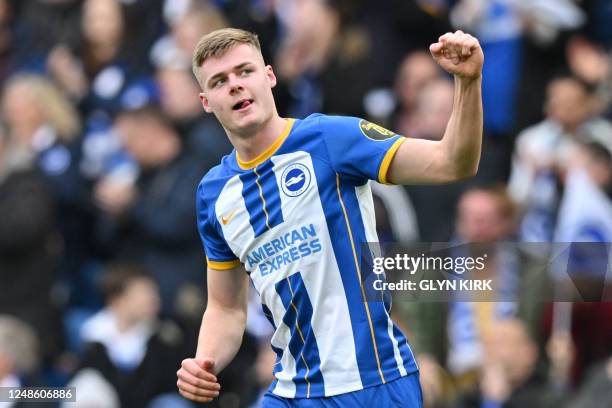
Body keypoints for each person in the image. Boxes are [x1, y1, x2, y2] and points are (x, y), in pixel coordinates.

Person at [177, 27, 483, 407]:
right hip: (293, 390)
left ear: (269, 77)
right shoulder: (214, 195)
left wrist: (468, 83)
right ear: (206, 102)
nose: (235, 86)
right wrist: (203, 361)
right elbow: (225, 307)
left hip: (377, 383)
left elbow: (452, 162)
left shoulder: (329, 139)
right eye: (220, 81)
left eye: (244, 72)